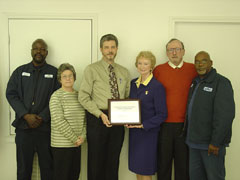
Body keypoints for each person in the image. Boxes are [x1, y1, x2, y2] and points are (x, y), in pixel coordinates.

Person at [78, 34, 130, 180]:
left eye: (113, 47)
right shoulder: (91, 69)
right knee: (96, 162)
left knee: (113, 161)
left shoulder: (124, 72)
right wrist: (99, 114)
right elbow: (83, 96)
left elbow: (126, 98)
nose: (110, 50)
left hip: (117, 119)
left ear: (117, 49)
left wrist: (127, 116)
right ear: (101, 49)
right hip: (97, 118)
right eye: (106, 47)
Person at [6, 39, 60, 180]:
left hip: (45, 130)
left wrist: (42, 116)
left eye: (42, 49)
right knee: (23, 170)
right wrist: (25, 115)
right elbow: (11, 94)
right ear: (31, 51)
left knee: (48, 169)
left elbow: (58, 98)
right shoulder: (20, 72)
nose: (38, 51)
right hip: (24, 129)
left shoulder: (55, 73)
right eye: (35, 48)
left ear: (46, 52)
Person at [185, 51, 235, 180]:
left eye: (204, 61)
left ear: (211, 63)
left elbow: (225, 116)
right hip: (194, 144)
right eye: (197, 62)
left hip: (211, 146)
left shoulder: (221, 83)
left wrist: (216, 142)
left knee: (214, 177)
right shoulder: (195, 82)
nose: (200, 65)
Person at [153, 38, 197, 180]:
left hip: (185, 127)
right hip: (163, 125)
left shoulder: (193, 69)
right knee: (163, 165)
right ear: (166, 53)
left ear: (183, 51)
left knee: (183, 167)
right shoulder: (159, 70)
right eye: (171, 49)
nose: (174, 52)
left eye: (177, 49)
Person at [126, 51, 167, 180]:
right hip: (134, 134)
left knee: (146, 171)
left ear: (151, 66)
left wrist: (143, 125)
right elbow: (129, 106)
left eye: (145, 63)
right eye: (139, 63)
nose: (142, 66)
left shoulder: (157, 86)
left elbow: (162, 114)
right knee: (137, 169)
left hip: (148, 134)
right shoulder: (133, 84)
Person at [49, 63, 86, 180]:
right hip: (61, 146)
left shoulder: (80, 96)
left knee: (74, 175)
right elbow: (59, 121)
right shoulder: (56, 97)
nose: (68, 78)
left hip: (77, 145)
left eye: (70, 75)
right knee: (62, 176)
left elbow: (85, 119)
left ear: (74, 77)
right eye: (64, 76)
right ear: (60, 79)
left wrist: (83, 136)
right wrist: (75, 138)